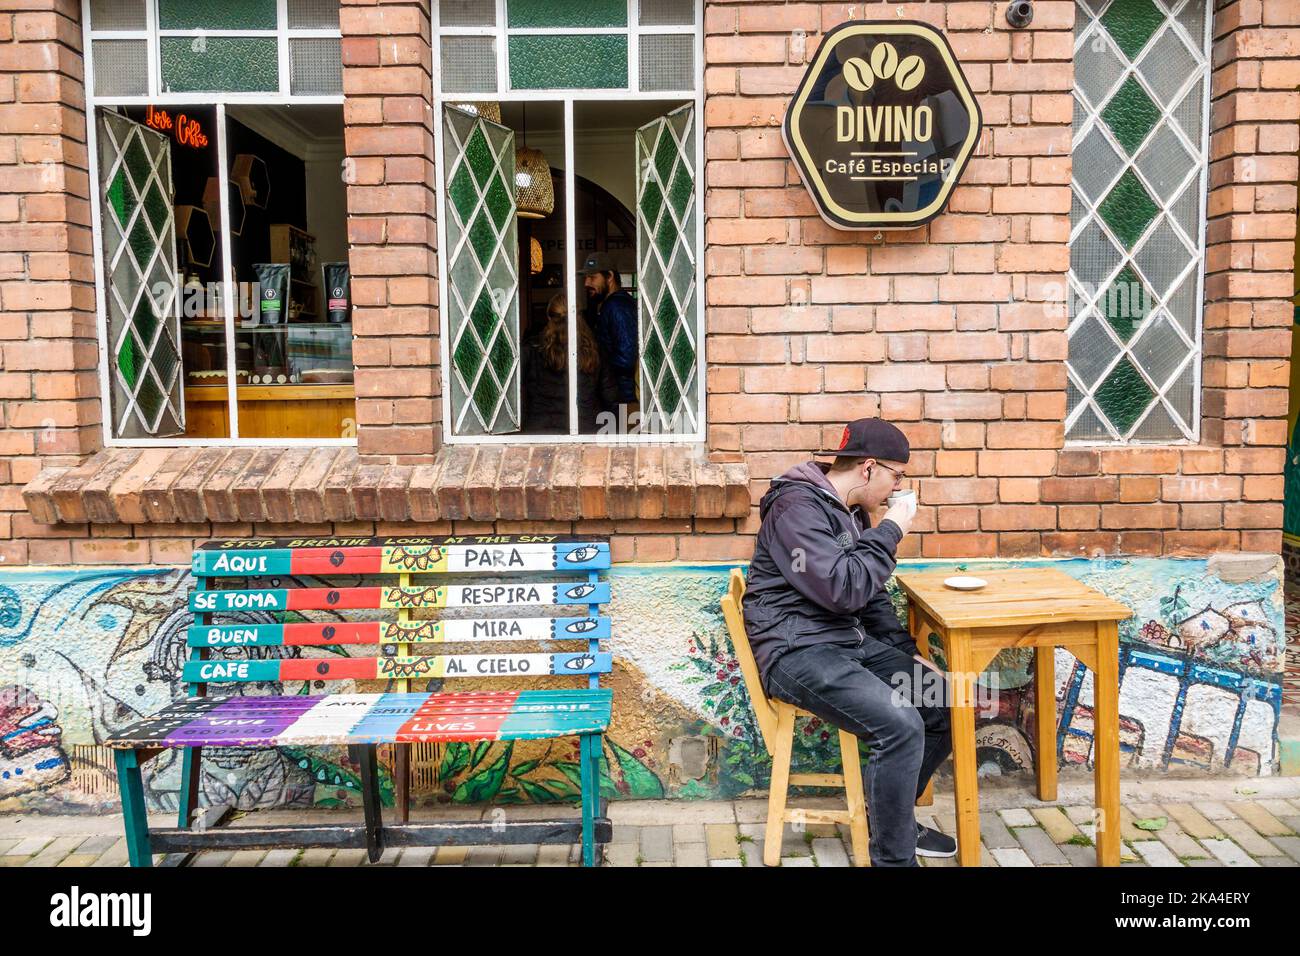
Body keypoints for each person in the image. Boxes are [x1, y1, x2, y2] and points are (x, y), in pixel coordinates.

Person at [742, 417, 954, 866]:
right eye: (897, 476)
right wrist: (893, 528)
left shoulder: (851, 513)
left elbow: (870, 596)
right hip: (797, 649)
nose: (898, 489)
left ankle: (891, 821)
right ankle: (894, 859)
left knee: (942, 702)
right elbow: (843, 588)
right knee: (900, 725)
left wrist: (909, 653)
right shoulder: (795, 509)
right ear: (869, 468)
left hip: (844, 642)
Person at [521, 293, 601, 434]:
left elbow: (511, 393)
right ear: (580, 317)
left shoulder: (533, 350)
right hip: (584, 429)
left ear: (549, 318)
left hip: (540, 430)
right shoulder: (594, 350)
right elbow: (611, 397)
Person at [581, 252, 638, 420]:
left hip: (624, 400)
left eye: (592, 277)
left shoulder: (616, 306)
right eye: (586, 278)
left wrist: (594, 362)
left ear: (610, 277)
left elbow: (627, 358)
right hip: (618, 397)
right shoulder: (612, 304)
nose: (586, 283)